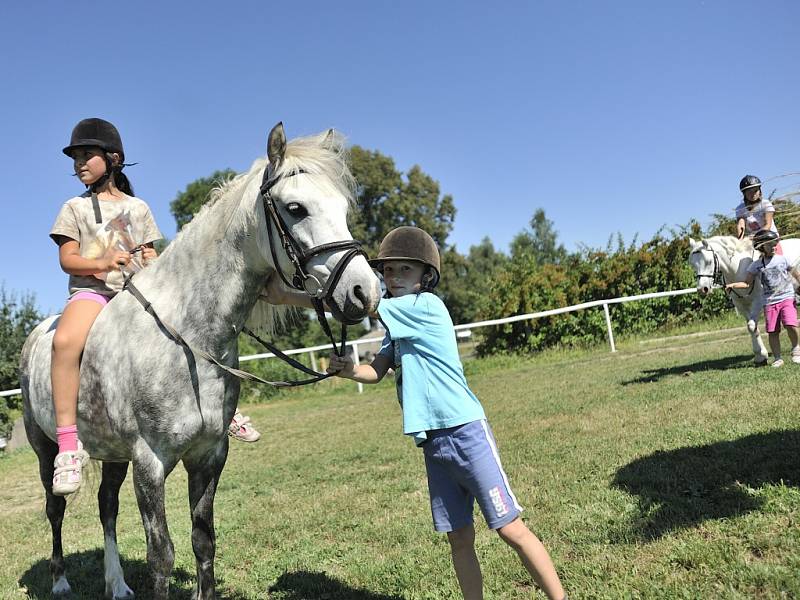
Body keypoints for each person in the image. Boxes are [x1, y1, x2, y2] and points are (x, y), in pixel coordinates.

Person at [264, 226, 566, 600]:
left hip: (464, 432)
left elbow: (359, 305)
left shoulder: (426, 307)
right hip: (433, 443)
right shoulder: (396, 326)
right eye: (388, 271)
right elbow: (376, 370)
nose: (393, 278)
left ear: (426, 276)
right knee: (459, 537)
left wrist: (288, 296)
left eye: (404, 270)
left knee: (509, 528)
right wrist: (347, 370)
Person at [49, 118, 259, 496]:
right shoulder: (73, 208)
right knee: (64, 342)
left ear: (113, 158)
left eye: (87, 155)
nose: (79, 162)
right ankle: (67, 446)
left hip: (138, 294)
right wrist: (100, 263)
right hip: (93, 294)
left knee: (192, 329)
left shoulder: (139, 207)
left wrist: (148, 259)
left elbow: (151, 255)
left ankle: (220, 412)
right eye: (75, 157)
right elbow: (68, 259)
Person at [727, 229, 800, 367]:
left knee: (791, 324)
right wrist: (733, 284)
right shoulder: (756, 265)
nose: (774, 246)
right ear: (761, 247)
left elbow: (796, 275)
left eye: (775, 243)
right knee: (773, 331)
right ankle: (778, 358)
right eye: (771, 244)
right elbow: (747, 283)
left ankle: (796, 349)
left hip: (787, 297)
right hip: (770, 302)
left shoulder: (783, 259)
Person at [735, 175, 782, 254]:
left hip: (769, 237)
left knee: (777, 258)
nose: (753, 194)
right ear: (744, 193)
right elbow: (741, 225)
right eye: (749, 192)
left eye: (755, 191)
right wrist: (740, 240)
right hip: (751, 240)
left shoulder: (765, 204)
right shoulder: (740, 208)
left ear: (759, 190)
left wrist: (756, 236)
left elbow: (768, 225)